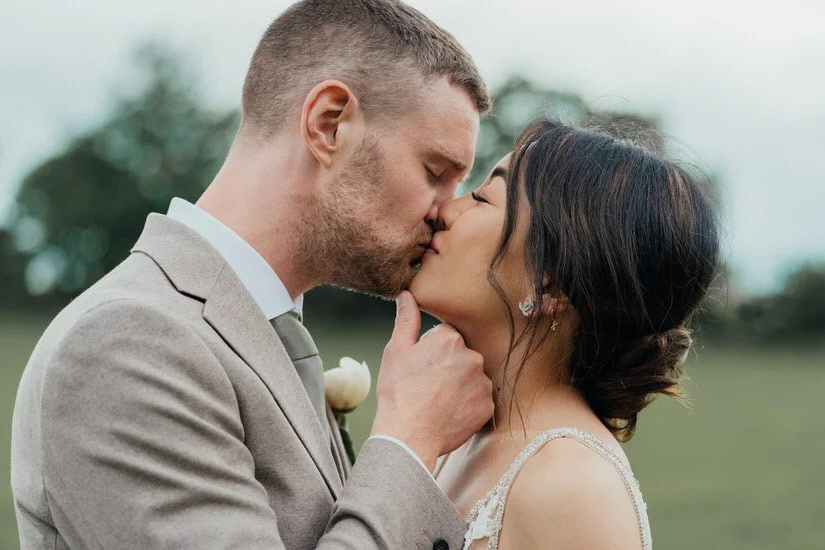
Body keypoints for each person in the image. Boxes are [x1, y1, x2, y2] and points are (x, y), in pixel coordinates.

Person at [10, 1, 495, 548]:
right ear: (329, 124)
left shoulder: (260, 331)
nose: (448, 210)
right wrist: (410, 439)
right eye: (436, 172)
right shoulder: (127, 342)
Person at [411, 119, 721, 549]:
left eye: (482, 198)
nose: (446, 211)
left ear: (549, 284)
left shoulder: (573, 487)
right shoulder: (457, 436)